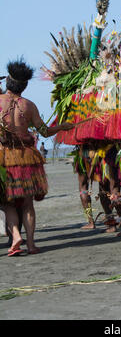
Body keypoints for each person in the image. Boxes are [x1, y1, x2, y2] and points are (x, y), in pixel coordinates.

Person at [0, 58, 74, 256]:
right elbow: (44, 131)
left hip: (4, 157)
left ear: (7, 82)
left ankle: (15, 235)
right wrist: (62, 126)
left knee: (7, 202)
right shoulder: (29, 106)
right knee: (27, 204)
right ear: (23, 86)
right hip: (27, 158)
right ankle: (31, 244)